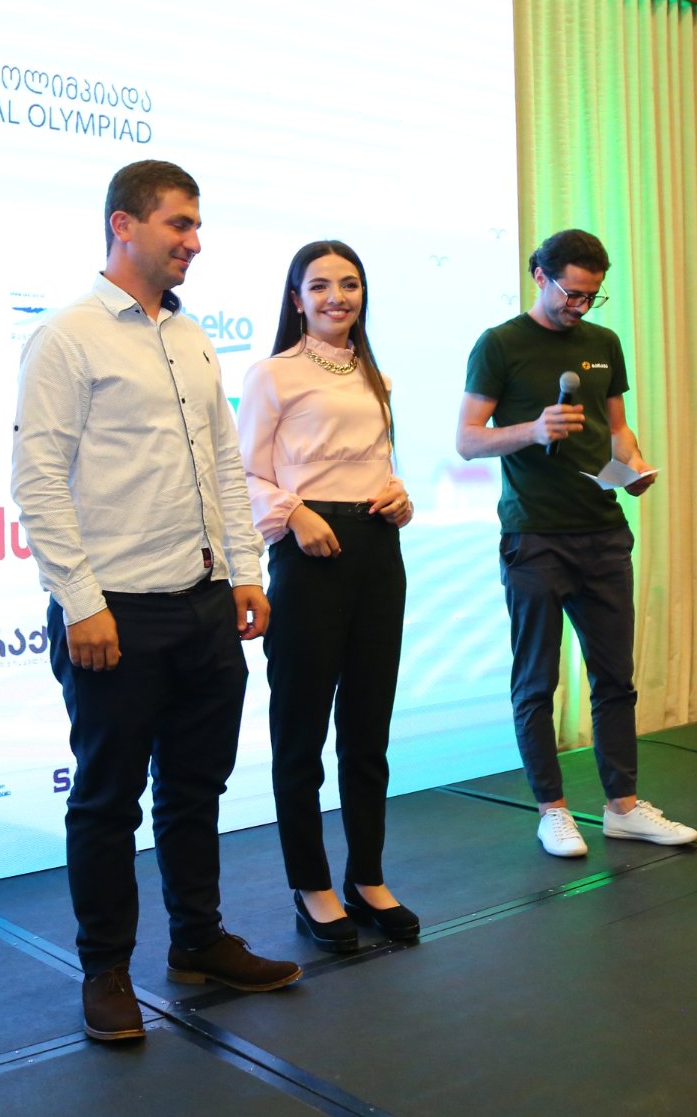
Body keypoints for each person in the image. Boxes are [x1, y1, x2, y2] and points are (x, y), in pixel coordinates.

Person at [11, 159, 299, 1045]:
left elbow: (222, 466)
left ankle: (198, 941)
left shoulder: (192, 337)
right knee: (107, 800)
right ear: (123, 225)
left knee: (195, 786)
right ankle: (105, 969)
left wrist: (245, 572)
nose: (194, 242)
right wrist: (80, 601)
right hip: (114, 611)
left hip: (204, 602)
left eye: (197, 225)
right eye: (179, 223)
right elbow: (38, 480)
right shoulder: (66, 336)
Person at [457, 228, 697, 858]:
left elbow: (618, 428)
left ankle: (623, 808)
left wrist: (635, 465)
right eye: (571, 293)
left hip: (603, 532)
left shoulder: (602, 343)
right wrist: (533, 430)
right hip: (535, 535)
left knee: (616, 678)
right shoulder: (499, 344)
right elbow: (468, 439)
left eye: (592, 295)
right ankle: (553, 811)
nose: (581, 306)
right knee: (537, 681)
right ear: (540, 276)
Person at [238, 241, 418, 953]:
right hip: (309, 556)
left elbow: (377, 466)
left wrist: (399, 496)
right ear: (296, 299)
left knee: (369, 730)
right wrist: (292, 513)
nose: (336, 297)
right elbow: (242, 473)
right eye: (319, 286)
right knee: (301, 732)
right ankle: (311, 886)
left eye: (349, 284)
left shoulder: (377, 377)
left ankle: (367, 877)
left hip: (378, 552)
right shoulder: (272, 374)